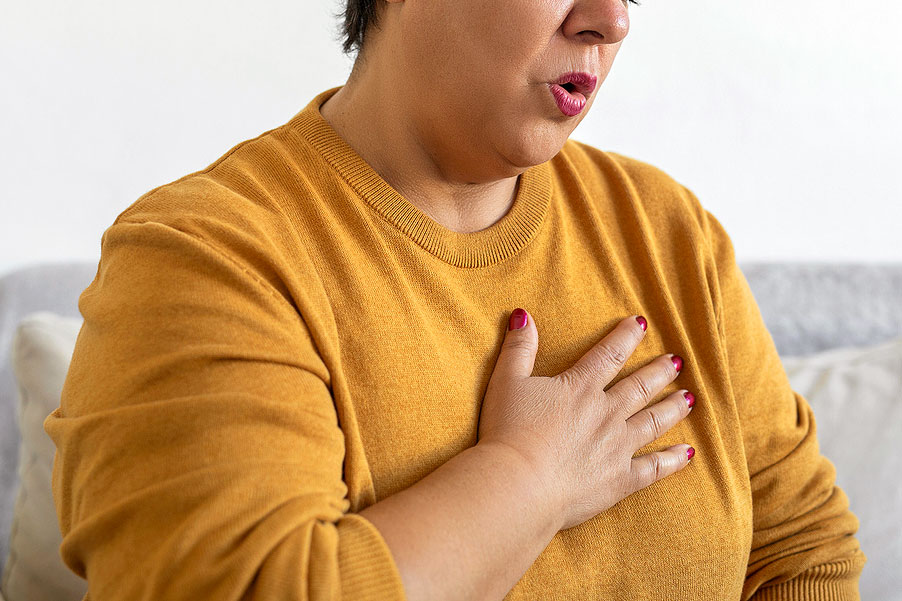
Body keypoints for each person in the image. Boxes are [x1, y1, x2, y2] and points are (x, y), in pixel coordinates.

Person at [44, 0, 867, 599]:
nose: (611, 20)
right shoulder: (204, 257)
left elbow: (807, 553)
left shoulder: (668, 234)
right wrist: (525, 478)